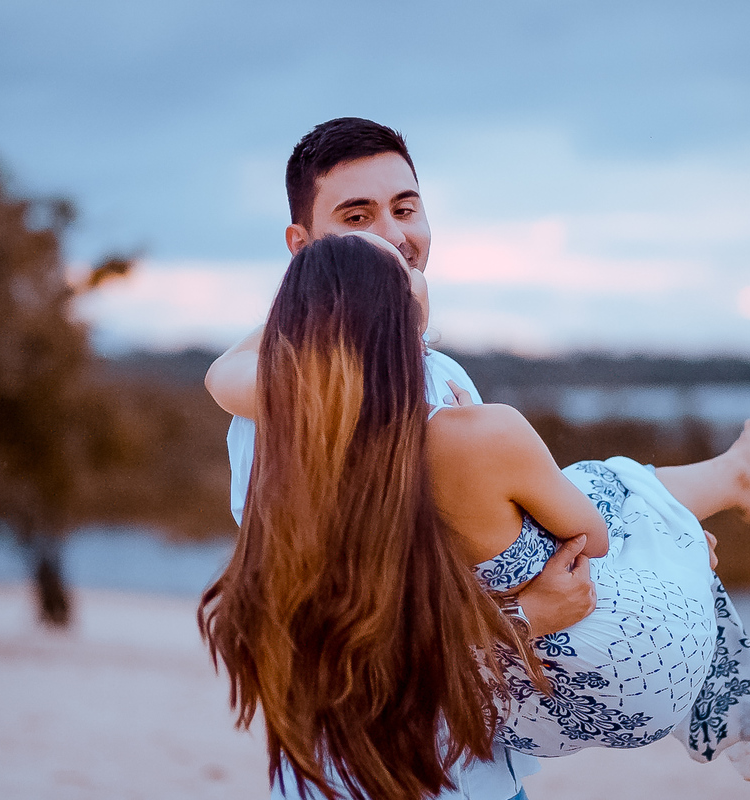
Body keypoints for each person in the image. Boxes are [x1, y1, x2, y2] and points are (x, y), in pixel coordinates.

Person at [200, 235, 750, 800]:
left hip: (520, 709)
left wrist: (324, 290)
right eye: (401, 271)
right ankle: (724, 488)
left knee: (587, 493)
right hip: (627, 659)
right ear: (404, 317)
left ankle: (723, 488)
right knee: (600, 481)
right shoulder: (474, 431)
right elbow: (597, 536)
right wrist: (658, 549)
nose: (405, 251)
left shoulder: (292, 450)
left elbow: (223, 371)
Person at [206, 118, 595, 800]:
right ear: (303, 248)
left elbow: (506, 557)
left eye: (406, 208)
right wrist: (529, 619)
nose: (393, 235)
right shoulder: (274, 405)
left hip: (478, 769)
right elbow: (342, 637)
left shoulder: (439, 374)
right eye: (357, 217)